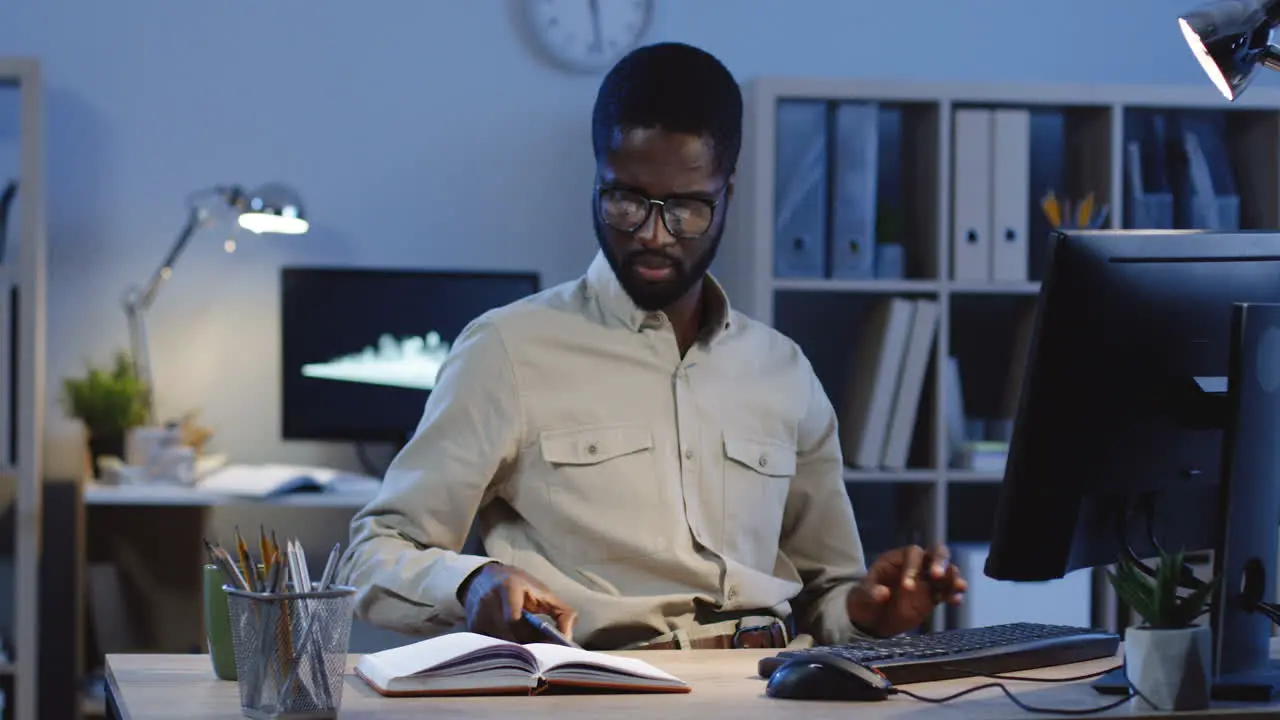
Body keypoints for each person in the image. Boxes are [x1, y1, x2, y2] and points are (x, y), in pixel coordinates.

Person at [338, 41, 966, 651]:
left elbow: (826, 596)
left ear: (729, 192)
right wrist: (471, 581)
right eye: (627, 202)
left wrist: (867, 612)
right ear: (597, 180)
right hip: (598, 691)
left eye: (688, 209)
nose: (655, 235)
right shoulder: (506, 349)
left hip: (773, 685)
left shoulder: (783, 372)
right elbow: (374, 553)